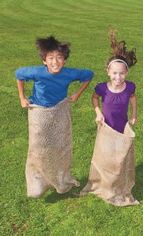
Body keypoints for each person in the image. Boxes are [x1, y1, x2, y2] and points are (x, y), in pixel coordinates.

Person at [15, 35, 94, 198]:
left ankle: (61, 178)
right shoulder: (36, 72)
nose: (55, 62)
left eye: (59, 58)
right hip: (39, 112)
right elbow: (19, 74)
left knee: (60, 145)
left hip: (59, 110)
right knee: (39, 147)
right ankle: (37, 182)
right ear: (44, 60)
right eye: (50, 58)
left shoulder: (70, 73)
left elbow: (88, 75)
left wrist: (77, 94)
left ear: (64, 60)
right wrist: (22, 97)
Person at [80, 31, 139, 206]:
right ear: (108, 72)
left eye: (121, 73)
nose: (117, 77)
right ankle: (102, 181)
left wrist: (134, 115)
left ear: (126, 73)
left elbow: (133, 99)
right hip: (106, 127)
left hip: (121, 126)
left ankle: (118, 178)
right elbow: (94, 98)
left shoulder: (130, 87)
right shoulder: (102, 88)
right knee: (105, 154)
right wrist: (98, 113)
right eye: (114, 73)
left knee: (120, 154)